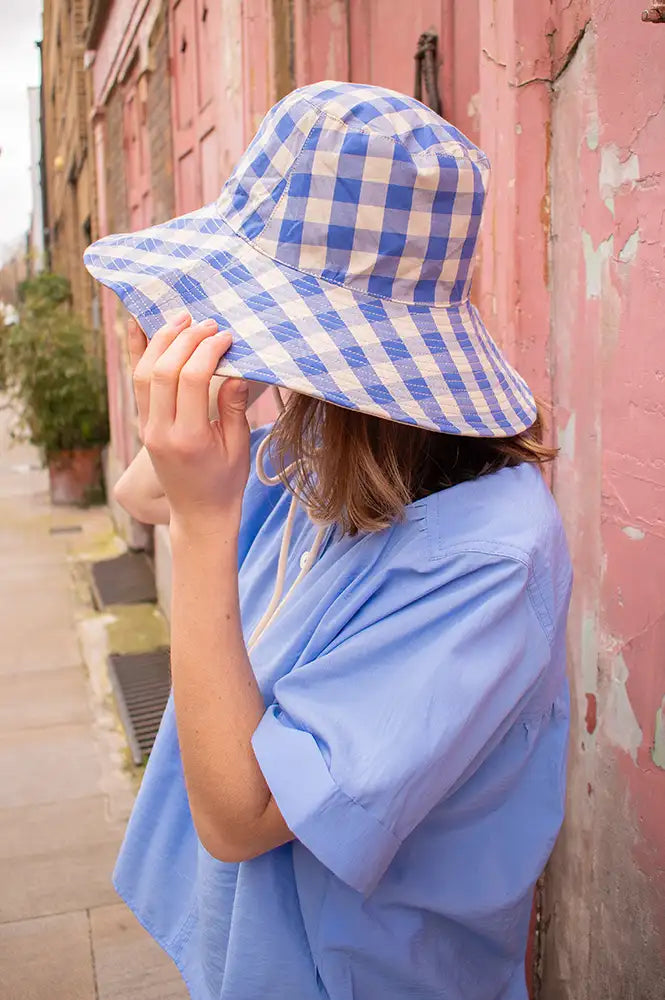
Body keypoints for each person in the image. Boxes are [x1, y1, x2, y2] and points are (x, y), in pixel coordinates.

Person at [84, 81, 572, 1000]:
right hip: (259, 950)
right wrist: (230, 359)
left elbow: (240, 818)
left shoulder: (489, 561)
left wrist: (204, 522)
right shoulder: (322, 446)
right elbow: (138, 489)